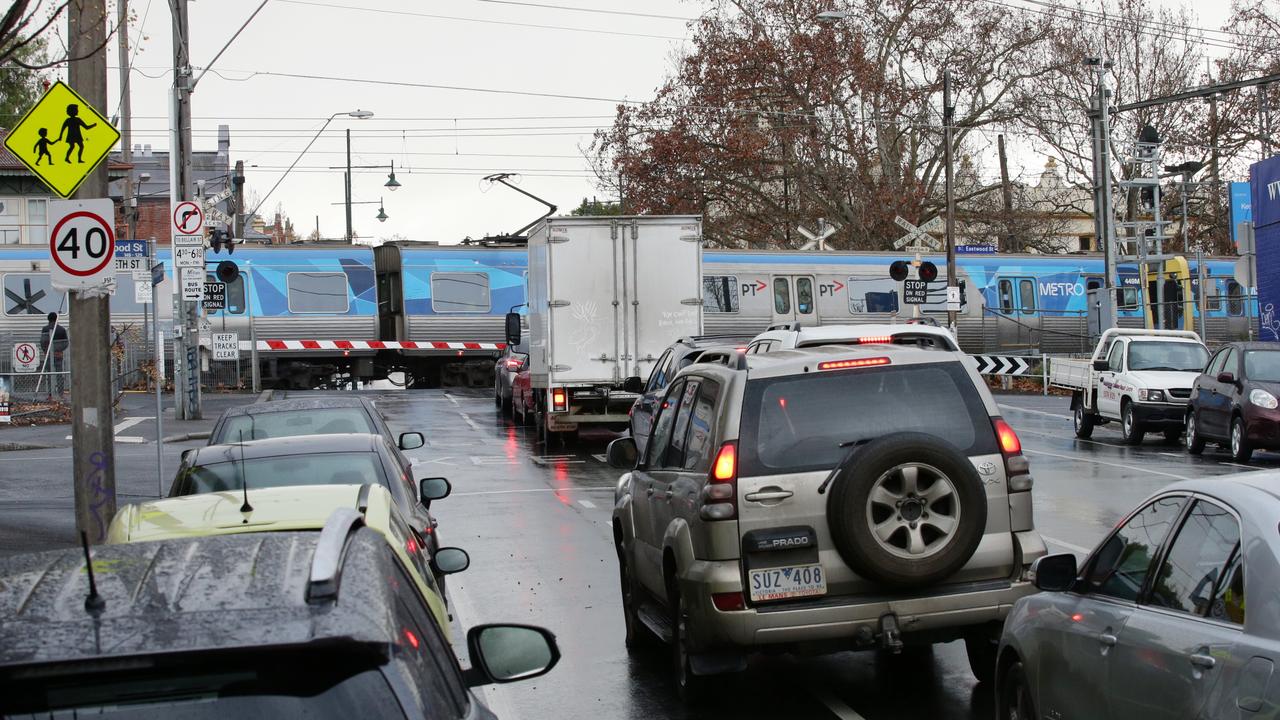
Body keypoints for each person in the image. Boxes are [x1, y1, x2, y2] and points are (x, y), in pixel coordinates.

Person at [40, 312, 69, 395]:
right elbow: (66, 343)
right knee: (59, 374)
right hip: (59, 355)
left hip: (48, 356)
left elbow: (42, 342)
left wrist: (46, 351)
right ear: (56, 319)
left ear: (48, 319)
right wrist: (58, 350)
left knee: (49, 375)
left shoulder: (45, 329)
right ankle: (61, 393)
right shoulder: (61, 329)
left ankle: (50, 394)